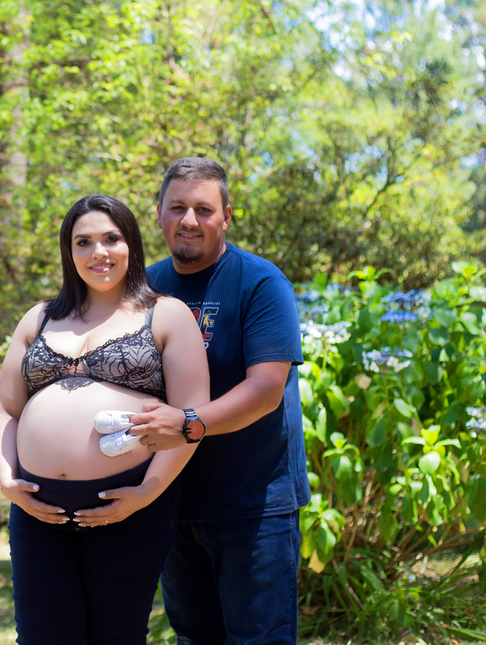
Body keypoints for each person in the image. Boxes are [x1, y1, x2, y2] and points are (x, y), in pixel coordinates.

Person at [0, 194, 211, 645]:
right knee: (42, 637)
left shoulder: (166, 314)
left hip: (127, 506)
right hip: (37, 509)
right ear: (69, 252)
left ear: (132, 244)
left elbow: (189, 419)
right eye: (83, 242)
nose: (98, 252)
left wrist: (146, 493)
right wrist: (7, 481)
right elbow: (3, 409)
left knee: (117, 636)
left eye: (111, 238)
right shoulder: (40, 318)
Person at [128, 157, 309, 645]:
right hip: (172, 501)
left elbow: (266, 389)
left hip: (254, 505)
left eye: (204, 209)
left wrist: (187, 423)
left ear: (226, 216)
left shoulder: (261, 283)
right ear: (160, 214)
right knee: (194, 639)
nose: (190, 220)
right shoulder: (140, 289)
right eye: (178, 207)